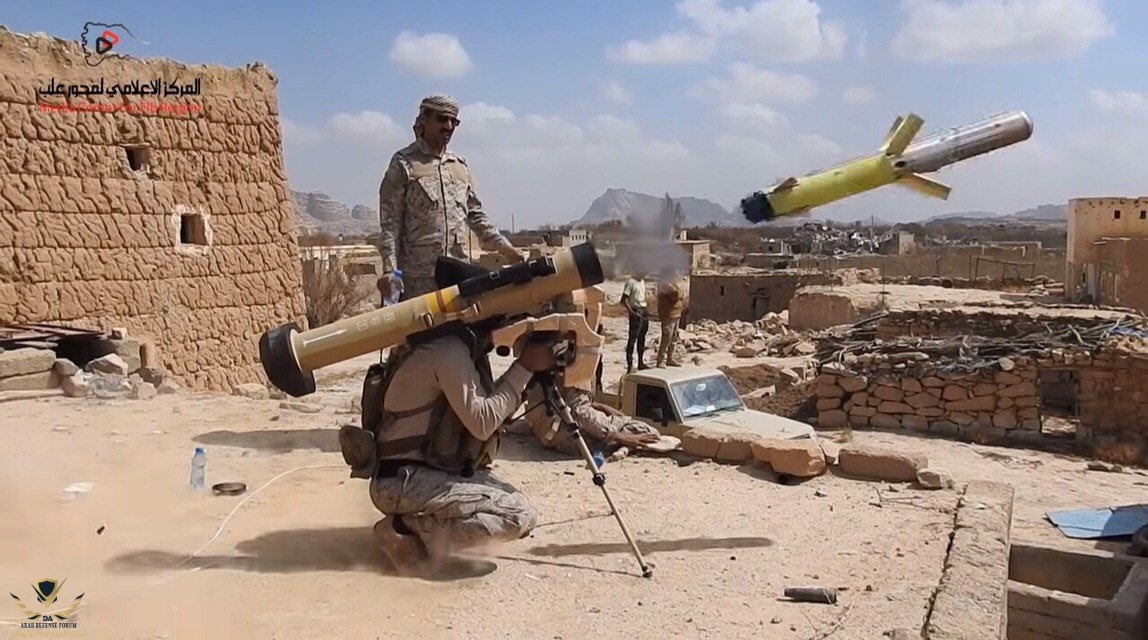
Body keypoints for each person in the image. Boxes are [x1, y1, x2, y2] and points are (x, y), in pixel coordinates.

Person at [367, 313, 558, 577]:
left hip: (419, 473)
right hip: (403, 480)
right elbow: (483, 422)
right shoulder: (448, 352)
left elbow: (488, 414)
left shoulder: (449, 346)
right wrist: (525, 366)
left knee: (513, 502)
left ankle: (412, 529)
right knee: (516, 516)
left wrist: (526, 375)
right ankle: (402, 528)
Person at [376, 94, 523, 301]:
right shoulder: (404, 163)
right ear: (424, 121)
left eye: (454, 121)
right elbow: (390, 224)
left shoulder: (460, 167)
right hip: (419, 282)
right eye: (442, 119)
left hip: (458, 279)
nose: (449, 126)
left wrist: (507, 249)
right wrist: (389, 269)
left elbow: (477, 217)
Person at [655, 269, 685, 368]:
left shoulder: (673, 284)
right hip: (668, 315)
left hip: (676, 314)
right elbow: (676, 295)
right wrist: (680, 293)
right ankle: (661, 360)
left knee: (674, 337)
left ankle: (670, 358)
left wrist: (680, 293)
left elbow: (682, 294)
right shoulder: (664, 284)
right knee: (667, 337)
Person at [621, 271, 648, 372]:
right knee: (632, 339)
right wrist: (631, 312)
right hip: (636, 311)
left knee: (642, 337)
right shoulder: (631, 282)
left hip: (643, 310)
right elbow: (623, 300)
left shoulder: (642, 282)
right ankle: (630, 364)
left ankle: (640, 362)